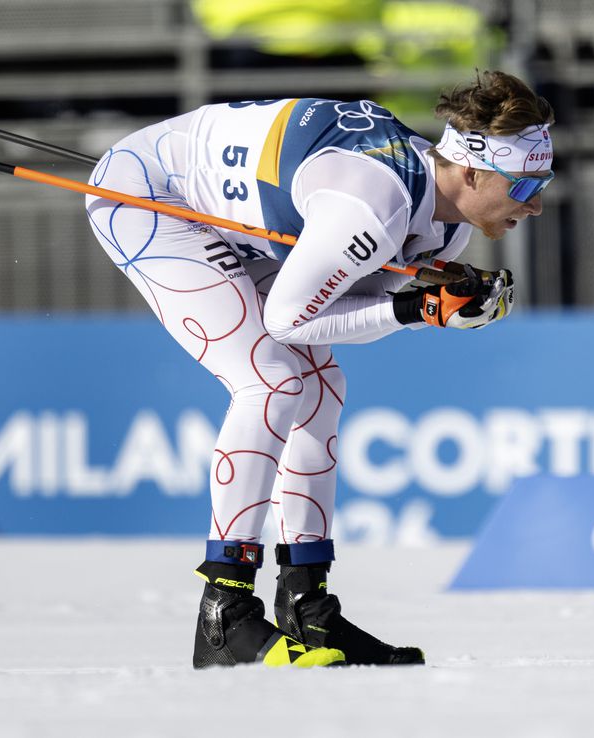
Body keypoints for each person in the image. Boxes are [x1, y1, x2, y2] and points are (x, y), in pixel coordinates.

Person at [84, 70, 554, 668]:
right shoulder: (373, 206)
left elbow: (354, 292)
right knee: (272, 381)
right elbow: (290, 320)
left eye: (544, 180)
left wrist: (437, 295)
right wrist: (420, 308)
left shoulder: (447, 225)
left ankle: (308, 608)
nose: (536, 203)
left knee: (321, 388)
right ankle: (223, 614)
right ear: (471, 171)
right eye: (525, 183)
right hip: (149, 196)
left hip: (222, 198)